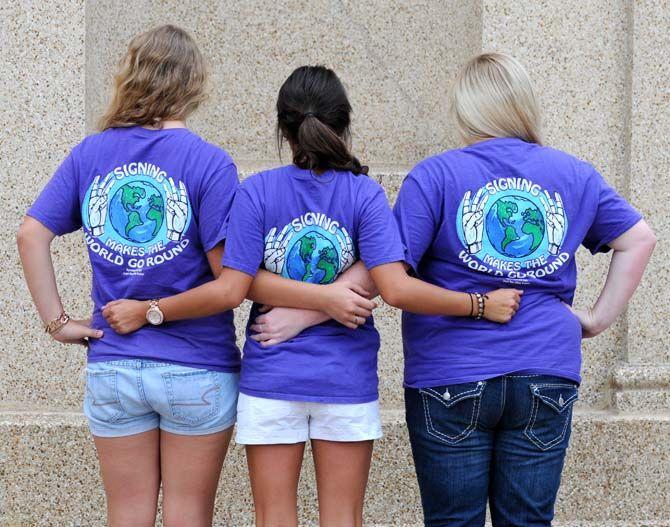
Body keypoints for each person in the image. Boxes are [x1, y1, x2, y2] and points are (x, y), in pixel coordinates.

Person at [102, 65, 522, 527]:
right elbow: (390, 281)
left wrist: (303, 312)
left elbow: (237, 283)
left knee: (274, 517)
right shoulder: (364, 193)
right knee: (343, 517)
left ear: (283, 128)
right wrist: (326, 300)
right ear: (344, 123)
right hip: (344, 379)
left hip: (271, 372)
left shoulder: (259, 190)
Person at [394, 52, 657, 527]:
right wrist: (595, 320)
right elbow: (639, 238)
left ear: (467, 108)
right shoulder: (574, 174)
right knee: (528, 521)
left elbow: (392, 275)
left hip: (450, 371)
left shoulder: (434, 175)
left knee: (453, 521)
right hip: (546, 367)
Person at [17, 25, 242, 527]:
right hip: (197, 366)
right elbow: (228, 283)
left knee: (127, 515)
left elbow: (30, 235)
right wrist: (156, 312)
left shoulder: (90, 154)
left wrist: (58, 323)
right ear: (193, 85)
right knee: (188, 515)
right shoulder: (211, 163)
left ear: (130, 77)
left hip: (114, 365)